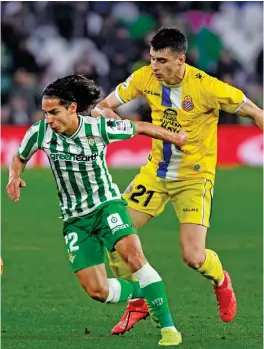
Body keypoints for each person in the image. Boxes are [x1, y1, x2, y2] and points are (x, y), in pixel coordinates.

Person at [92, 28, 264, 335]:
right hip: (155, 173)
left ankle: (221, 280)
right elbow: (103, 106)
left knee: (193, 257)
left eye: (161, 60)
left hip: (194, 178)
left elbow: (254, 112)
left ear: (180, 59)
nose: (154, 66)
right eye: (152, 58)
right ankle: (142, 298)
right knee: (112, 234)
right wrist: (108, 115)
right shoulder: (145, 77)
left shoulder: (208, 87)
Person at [6, 75, 189, 346]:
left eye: (54, 112)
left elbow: (139, 127)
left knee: (134, 258)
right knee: (97, 291)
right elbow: (20, 157)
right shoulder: (40, 132)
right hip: (74, 220)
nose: (49, 120)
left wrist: (176, 138)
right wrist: (14, 176)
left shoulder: (98, 128)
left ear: (71, 108)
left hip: (107, 206)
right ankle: (141, 293)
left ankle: (168, 329)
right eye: (45, 113)